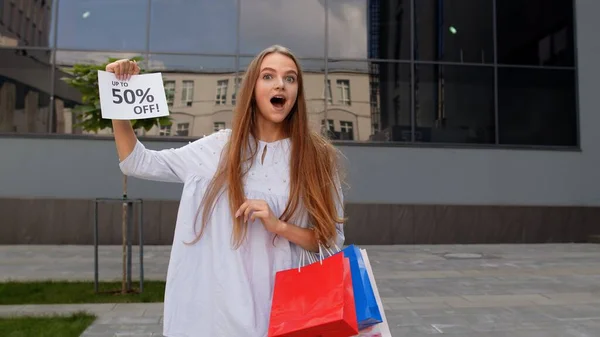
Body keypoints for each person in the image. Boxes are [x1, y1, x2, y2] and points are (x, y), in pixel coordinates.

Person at [105, 45, 346, 337]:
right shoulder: (218, 148)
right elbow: (136, 162)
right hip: (218, 312)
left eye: (290, 78)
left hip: (285, 311)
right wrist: (118, 92)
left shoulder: (316, 156)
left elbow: (330, 240)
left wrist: (279, 225)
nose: (280, 84)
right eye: (268, 76)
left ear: (296, 93)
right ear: (252, 88)